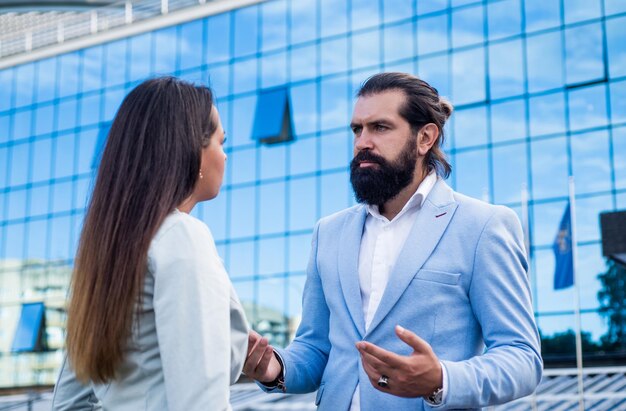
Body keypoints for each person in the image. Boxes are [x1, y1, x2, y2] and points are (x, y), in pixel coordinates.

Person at [244, 72, 542, 410]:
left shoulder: (483, 226)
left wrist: (441, 379)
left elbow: (522, 358)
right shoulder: (328, 233)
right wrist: (272, 367)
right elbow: (316, 350)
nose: (362, 142)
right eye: (357, 129)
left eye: (380, 128)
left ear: (425, 138)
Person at [51, 77, 248, 411]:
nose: (225, 156)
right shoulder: (183, 236)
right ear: (192, 150)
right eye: (220, 142)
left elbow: (68, 404)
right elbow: (200, 402)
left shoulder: (110, 252)